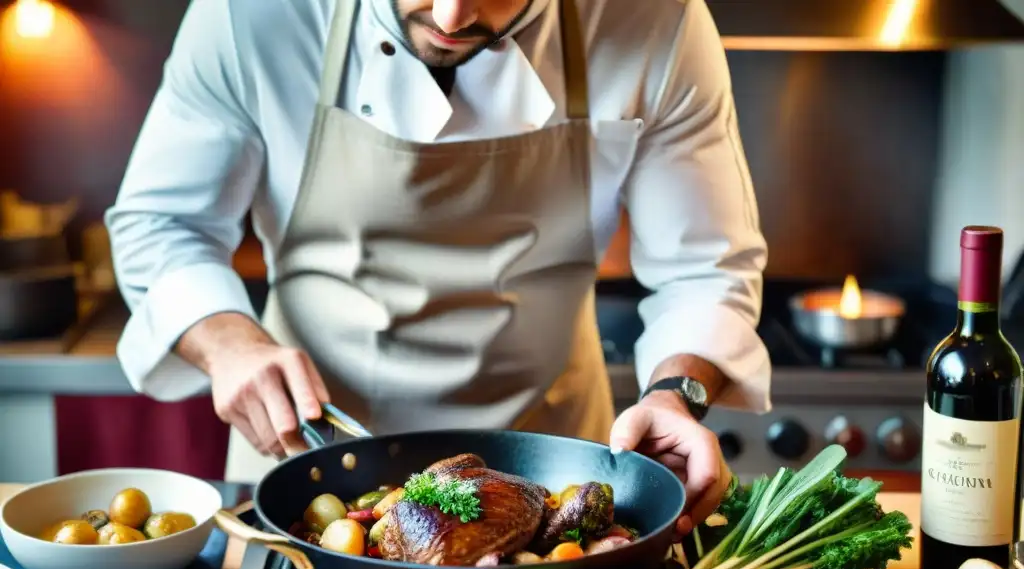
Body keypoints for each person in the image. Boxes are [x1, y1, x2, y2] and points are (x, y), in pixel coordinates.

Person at [107, 0, 771, 533]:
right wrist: (229, 344)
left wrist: (676, 394)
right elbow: (162, 223)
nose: (452, 17)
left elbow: (704, 266)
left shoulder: (655, 20)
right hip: (308, 463)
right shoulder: (251, 14)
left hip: (553, 465)